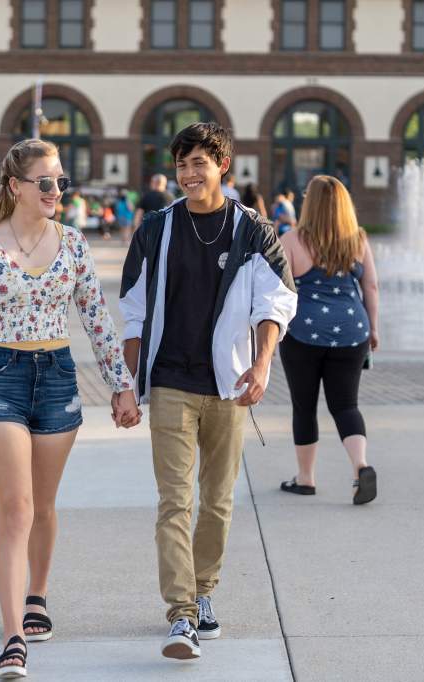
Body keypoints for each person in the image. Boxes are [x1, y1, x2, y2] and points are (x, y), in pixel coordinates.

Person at [0, 138, 140, 680]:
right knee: (16, 507)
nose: (56, 191)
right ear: (16, 187)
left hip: (55, 378)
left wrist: (121, 385)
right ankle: (12, 639)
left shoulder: (73, 244)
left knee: (45, 506)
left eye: (60, 181)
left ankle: (38, 596)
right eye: (45, 182)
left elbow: (97, 321)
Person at [118, 122, 297, 661]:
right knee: (176, 500)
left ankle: (204, 592)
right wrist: (129, 384)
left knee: (217, 502)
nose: (190, 174)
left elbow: (277, 302)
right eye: (182, 164)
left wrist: (262, 364)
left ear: (223, 165)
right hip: (171, 381)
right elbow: (132, 313)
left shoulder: (253, 231)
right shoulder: (156, 228)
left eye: (200, 163)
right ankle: (181, 615)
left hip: (229, 386)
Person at [278, 175, 378, 505]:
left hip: (304, 335)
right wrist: (373, 329)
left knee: (304, 406)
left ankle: (306, 479)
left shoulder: (292, 240)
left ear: (309, 205)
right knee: (346, 405)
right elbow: (371, 288)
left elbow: (281, 291)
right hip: (352, 332)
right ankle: (360, 466)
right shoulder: (358, 239)